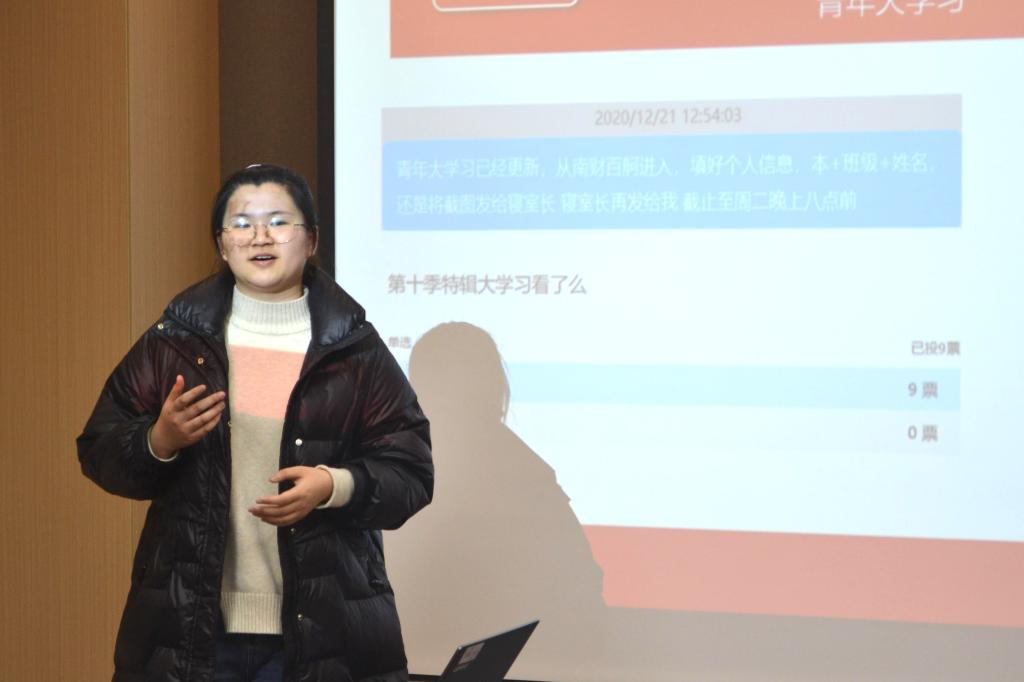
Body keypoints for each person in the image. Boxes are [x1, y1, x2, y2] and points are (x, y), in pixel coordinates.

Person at [77, 163, 433, 682]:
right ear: (222, 245)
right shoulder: (175, 342)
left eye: (279, 222)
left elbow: (411, 473)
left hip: (322, 629)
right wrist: (159, 440)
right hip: (192, 626)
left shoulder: (354, 349)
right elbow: (99, 449)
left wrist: (333, 485)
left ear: (311, 240)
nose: (260, 236)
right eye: (241, 223)